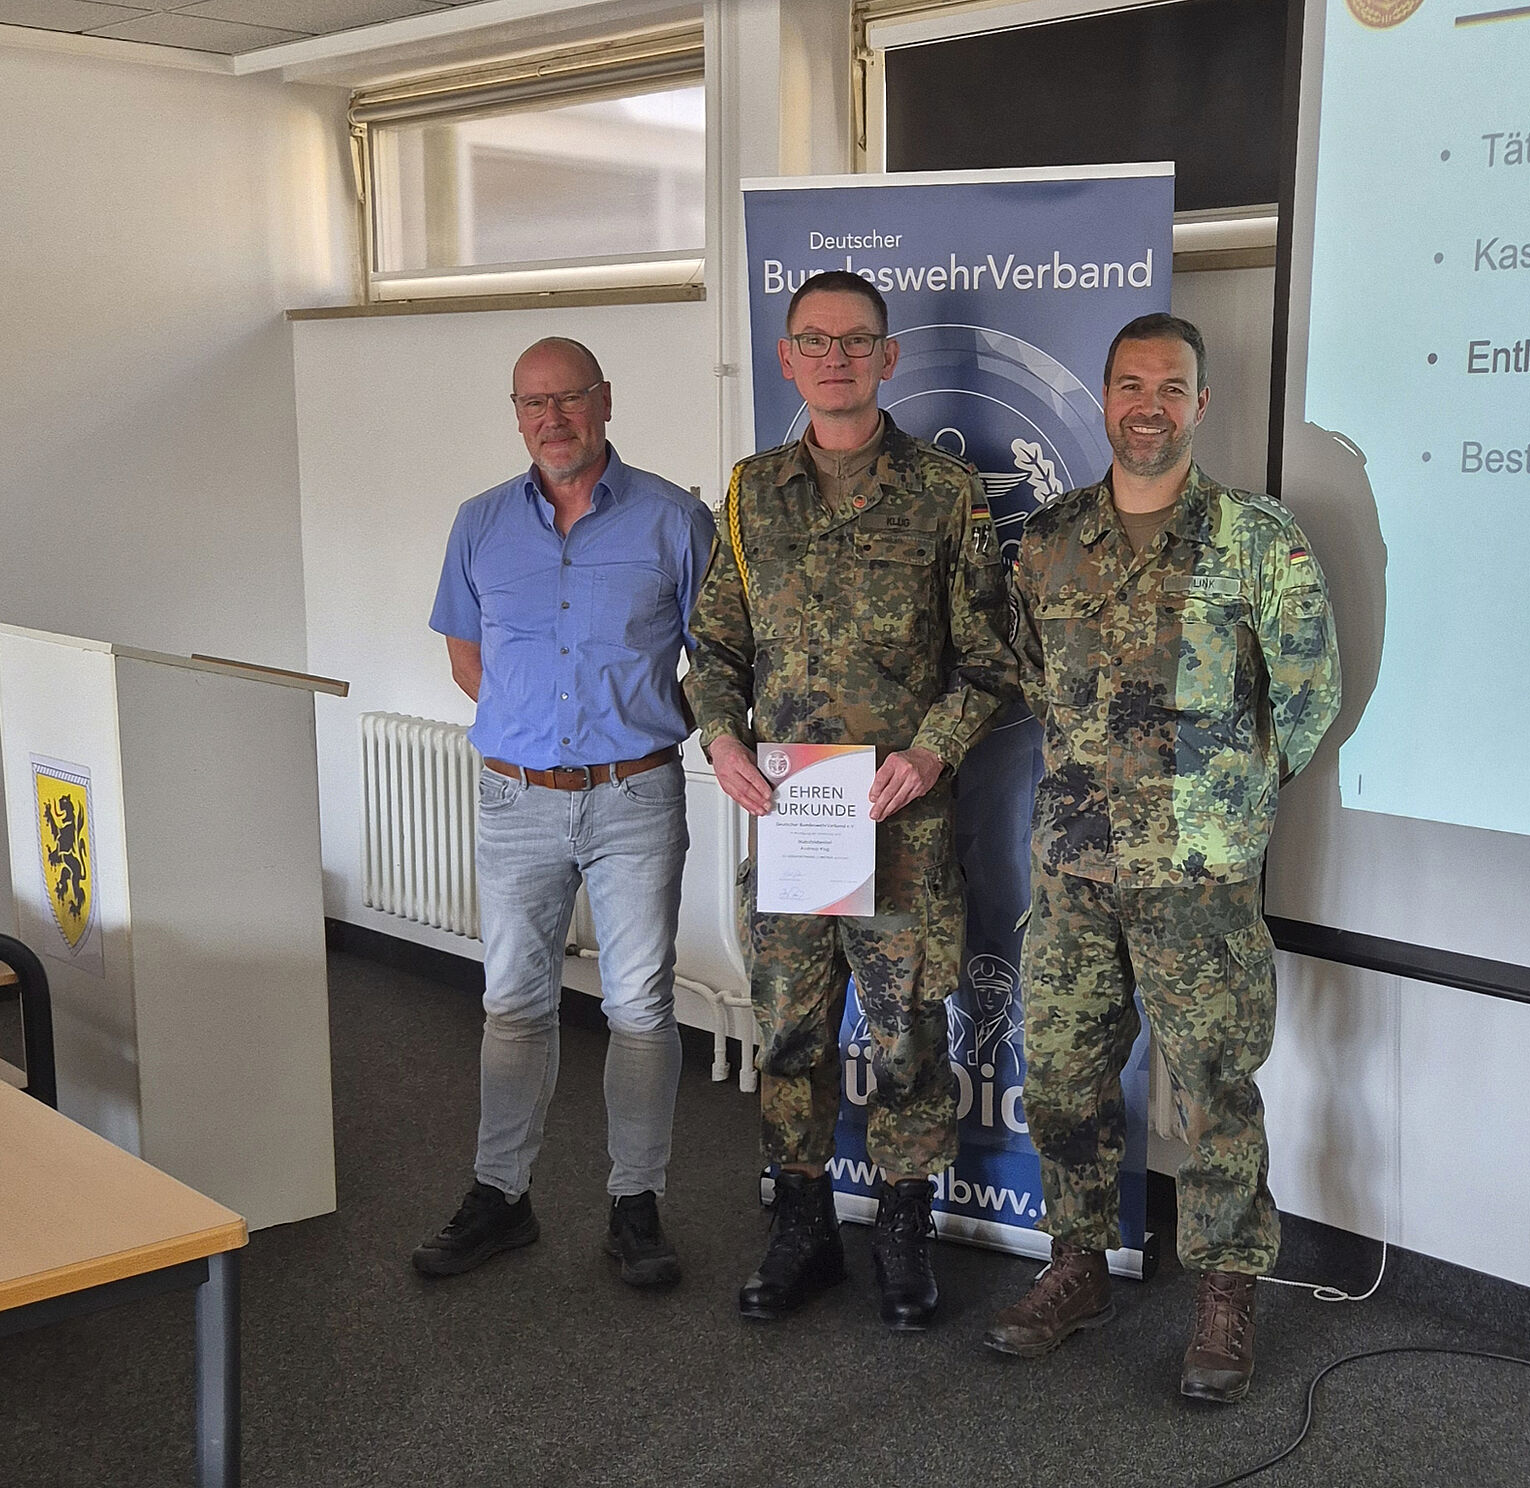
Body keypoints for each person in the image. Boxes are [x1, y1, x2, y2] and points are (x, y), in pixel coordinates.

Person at [983, 314, 1341, 1400]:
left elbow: (1309, 693)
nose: (1150, 406)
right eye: (1131, 385)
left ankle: (1226, 1293)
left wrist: (1228, 800)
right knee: (1063, 1077)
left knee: (1216, 1088)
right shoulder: (1048, 540)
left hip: (1199, 878)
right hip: (1074, 870)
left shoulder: (1256, 539)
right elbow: (1030, 674)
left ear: (1201, 404)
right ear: (1105, 400)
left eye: (1171, 387)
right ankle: (1078, 1265)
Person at [685, 271, 1017, 1329]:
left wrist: (931, 754)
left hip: (898, 822)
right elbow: (715, 647)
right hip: (792, 826)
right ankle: (803, 1228)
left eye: (857, 340)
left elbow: (989, 661)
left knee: (907, 1032)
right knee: (790, 1030)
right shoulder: (751, 494)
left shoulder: (944, 495)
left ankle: (906, 1234)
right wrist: (720, 735)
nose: (836, 358)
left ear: (888, 356)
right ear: (787, 359)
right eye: (815, 341)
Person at [416, 337, 714, 1288]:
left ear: (605, 401)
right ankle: (501, 1197)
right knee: (512, 1005)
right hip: (516, 798)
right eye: (532, 404)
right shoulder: (479, 523)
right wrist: (540, 740)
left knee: (640, 1008)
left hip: (636, 796)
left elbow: (719, 656)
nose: (552, 419)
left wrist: (629, 732)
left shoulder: (674, 520)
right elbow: (469, 659)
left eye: (569, 398)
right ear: (516, 416)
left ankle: (636, 1205)